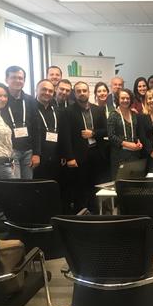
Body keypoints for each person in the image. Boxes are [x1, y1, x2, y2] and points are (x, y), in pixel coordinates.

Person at [62, 81, 108, 212]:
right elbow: (66, 136)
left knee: (95, 186)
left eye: (84, 90)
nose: (82, 93)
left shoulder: (98, 109)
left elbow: (106, 131)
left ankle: (95, 213)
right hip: (78, 156)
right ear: (74, 94)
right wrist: (70, 157)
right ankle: (81, 215)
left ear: (88, 92)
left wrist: (93, 133)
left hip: (97, 154)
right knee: (80, 187)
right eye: (78, 91)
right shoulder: (68, 111)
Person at [1, 66, 40, 179]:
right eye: (13, 77)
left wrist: (37, 153)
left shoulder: (30, 100)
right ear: (6, 79)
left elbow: (36, 127)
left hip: (28, 151)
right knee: (15, 185)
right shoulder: (2, 100)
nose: (17, 81)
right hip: (10, 150)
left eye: (20, 78)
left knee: (28, 185)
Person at [107, 88, 143, 179]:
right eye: (122, 98)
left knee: (134, 181)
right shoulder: (113, 115)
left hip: (134, 154)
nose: (125, 100)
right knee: (120, 182)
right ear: (118, 100)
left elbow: (136, 132)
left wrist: (138, 142)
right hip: (119, 155)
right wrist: (127, 144)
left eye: (128, 98)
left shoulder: (134, 114)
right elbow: (111, 136)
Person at [34, 79, 63, 182]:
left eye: (50, 91)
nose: (47, 93)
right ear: (36, 90)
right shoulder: (30, 109)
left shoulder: (57, 110)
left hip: (55, 158)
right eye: (44, 89)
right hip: (37, 159)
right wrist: (35, 154)